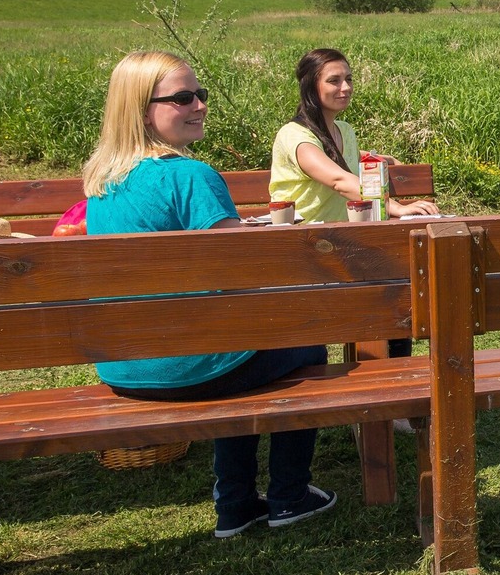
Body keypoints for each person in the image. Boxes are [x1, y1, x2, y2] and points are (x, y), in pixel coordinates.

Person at [82, 50, 335, 539]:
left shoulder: (102, 185)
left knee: (229, 341)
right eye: (182, 98)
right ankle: (289, 495)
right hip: (184, 367)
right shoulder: (190, 177)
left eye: (201, 94)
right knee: (305, 345)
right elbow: (246, 270)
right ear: (140, 110)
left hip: (124, 367)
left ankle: (236, 504)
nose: (198, 105)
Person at [269, 47, 441, 224]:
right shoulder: (294, 135)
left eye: (348, 79)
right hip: (301, 239)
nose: (346, 87)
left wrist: (387, 159)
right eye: (334, 81)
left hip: (344, 236)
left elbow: (345, 156)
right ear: (311, 87)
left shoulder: (344, 130)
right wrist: (397, 207)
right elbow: (338, 180)